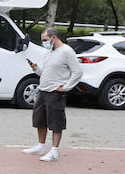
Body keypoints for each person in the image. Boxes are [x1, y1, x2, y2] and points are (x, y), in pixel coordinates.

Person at [23, 26, 83, 163]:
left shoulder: (67, 51)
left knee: (56, 122)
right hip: (43, 90)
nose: (43, 42)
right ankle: (41, 146)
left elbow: (77, 72)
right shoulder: (49, 52)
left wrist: (67, 87)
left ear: (53, 38)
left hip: (55, 92)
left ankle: (54, 151)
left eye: (45, 40)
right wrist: (36, 69)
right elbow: (46, 72)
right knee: (40, 120)